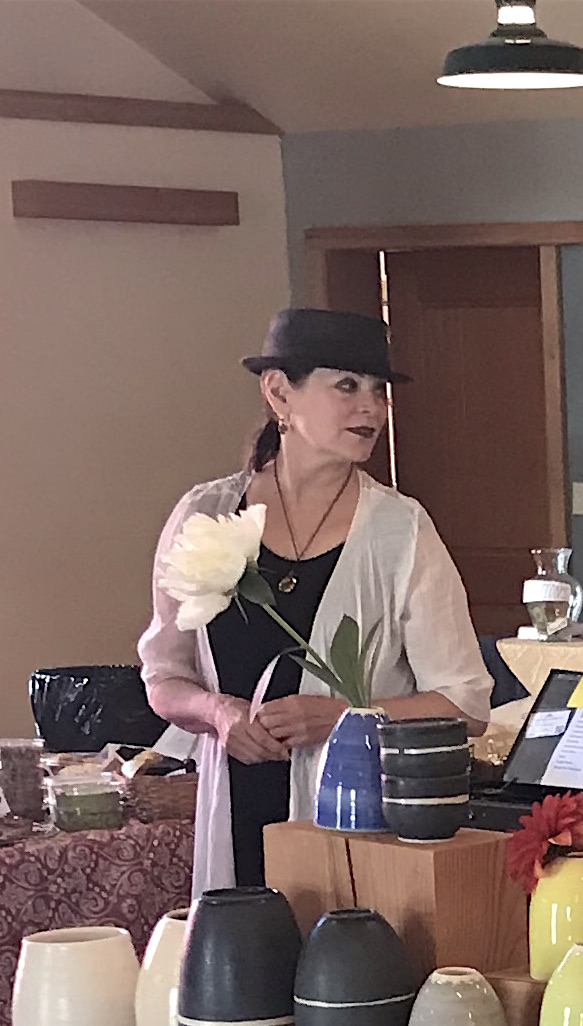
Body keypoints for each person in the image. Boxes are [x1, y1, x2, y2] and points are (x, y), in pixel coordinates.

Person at [139, 309, 491, 897]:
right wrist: (220, 714)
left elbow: (466, 704)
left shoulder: (400, 531)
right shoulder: (205, 516)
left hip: (358, 824)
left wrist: (344, 718)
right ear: (279, 392)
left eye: (379, 392)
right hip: (236, 811)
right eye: (347, 387)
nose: (371, 409)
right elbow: (163, 676)